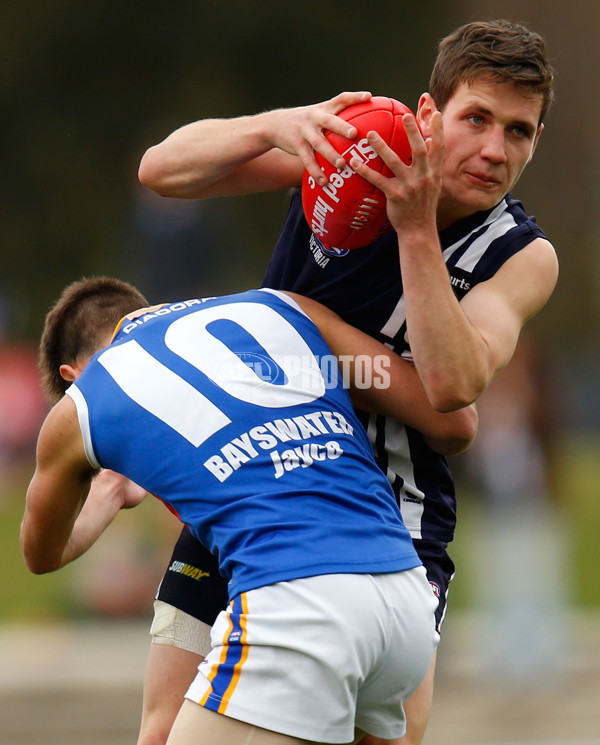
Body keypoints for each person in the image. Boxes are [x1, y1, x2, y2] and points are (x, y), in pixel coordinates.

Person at [137, 18, 558, 745]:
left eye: (518, 132)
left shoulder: (521, 255)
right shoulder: (364, 146)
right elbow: (163, 172)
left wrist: (413, 232)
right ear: (428, 117)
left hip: (396, 513)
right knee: (162, 729)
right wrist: (280, 126)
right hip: (259, 479)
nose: (494, 149)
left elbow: (454, 387)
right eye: (477, 119)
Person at [21, 275, 478, 745]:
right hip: (404, 594)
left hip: (297, 604)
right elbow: (454, 421)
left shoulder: (84, 402)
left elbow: (41, 553)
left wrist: (110, 489)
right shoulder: (280, 307)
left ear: (71, 376)